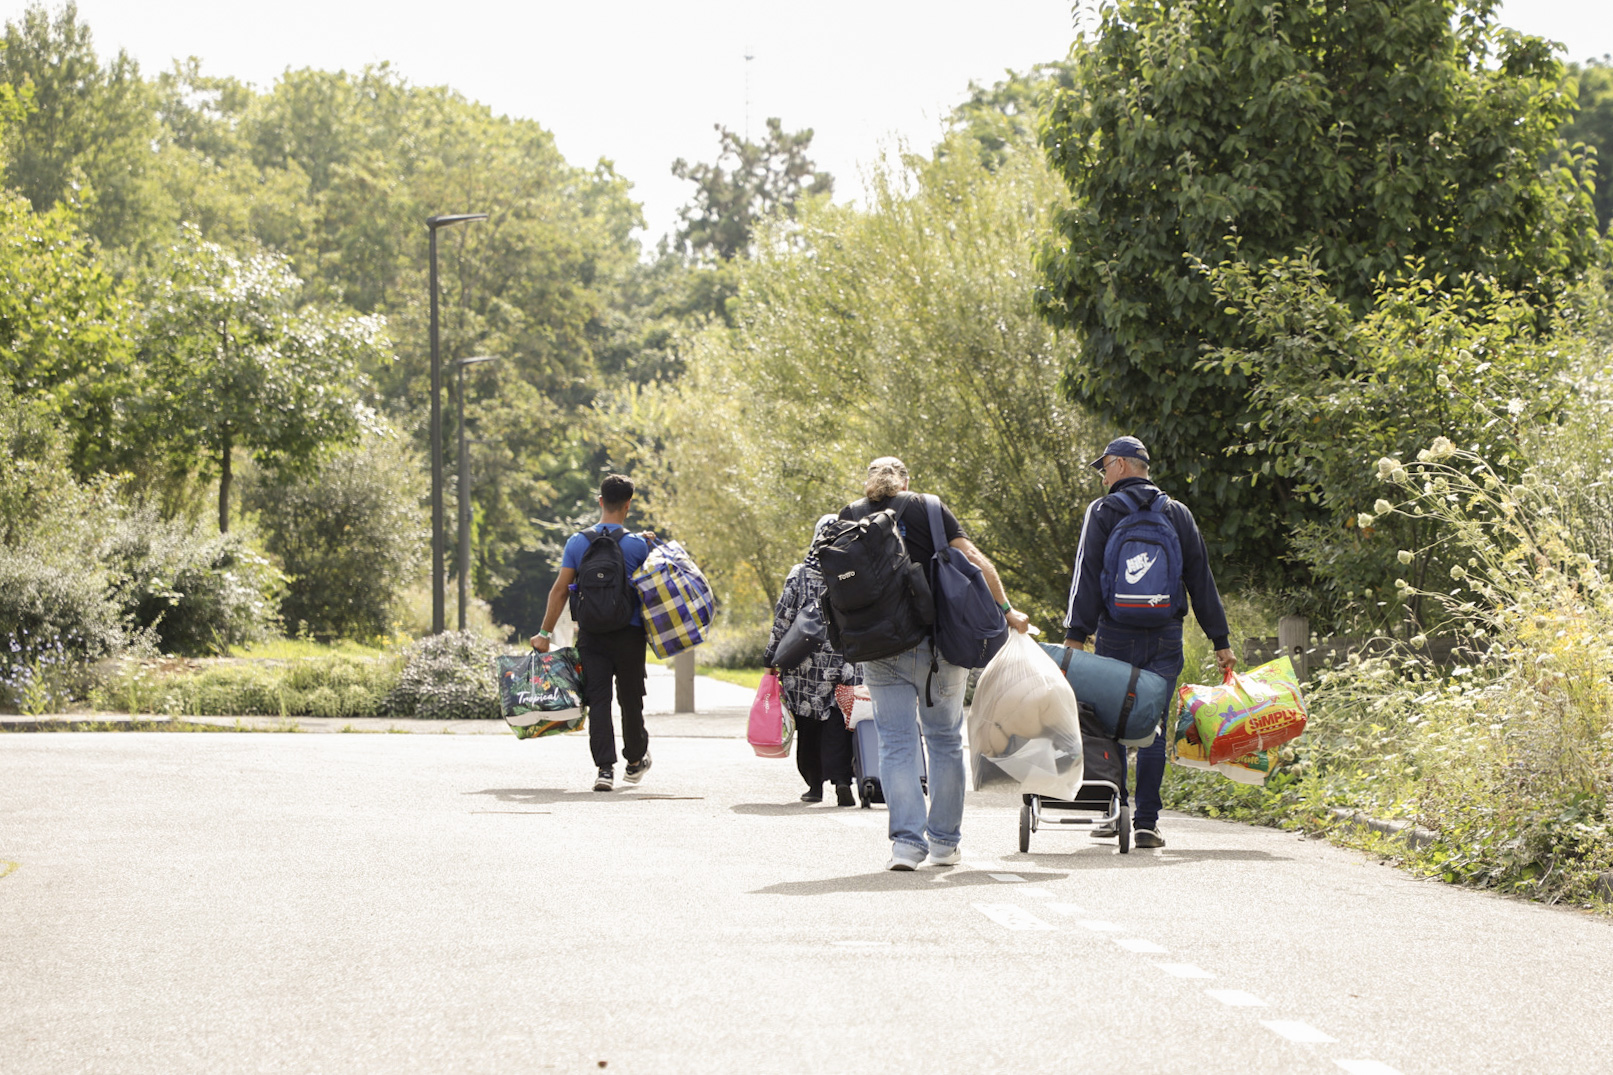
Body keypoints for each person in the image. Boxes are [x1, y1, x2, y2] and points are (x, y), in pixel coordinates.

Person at [841, 457, 1030, 871]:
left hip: (879, 647)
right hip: (938, 646)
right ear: (906, 481)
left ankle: (906, 846)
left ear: (869, 482)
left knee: (895, 743)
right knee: (944, 741)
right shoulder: (929, 507)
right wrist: (1008, 611)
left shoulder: (852, 514)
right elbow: (976, 559)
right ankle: (944, 843)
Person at [1062, 437, 1235, 849]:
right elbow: (1201, 580)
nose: (1103, 475)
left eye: (1105, 466)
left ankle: (1114, 812)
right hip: (1164, 635)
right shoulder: (1177, 513)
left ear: (1122, 465)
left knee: (1112, 722)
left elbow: (1086, 573)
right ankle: (1146, 823)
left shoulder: (1102, 511)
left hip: (1115, 632)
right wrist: (1220, 640)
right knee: (1152, 726)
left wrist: (1075, 635)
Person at [531, 474, 652, 793]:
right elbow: (657, 591)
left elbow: (559, 591)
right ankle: (635, 759)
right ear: (628, 505)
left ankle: (604, 770)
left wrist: (544, 633)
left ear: (600, 501)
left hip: (591, 634)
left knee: (598, 700)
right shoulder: (638, 545)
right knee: (631, 700)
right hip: (629, 633)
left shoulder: (577, 543)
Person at [763, 515, 861, 807]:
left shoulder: (801, 573)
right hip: (845, 658)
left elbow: (784, 616)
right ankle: (842, 780)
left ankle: (814, 785)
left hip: (805, 660)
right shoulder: (854, 574)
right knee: (840, 721)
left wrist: (771, 656)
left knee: (808, 723)